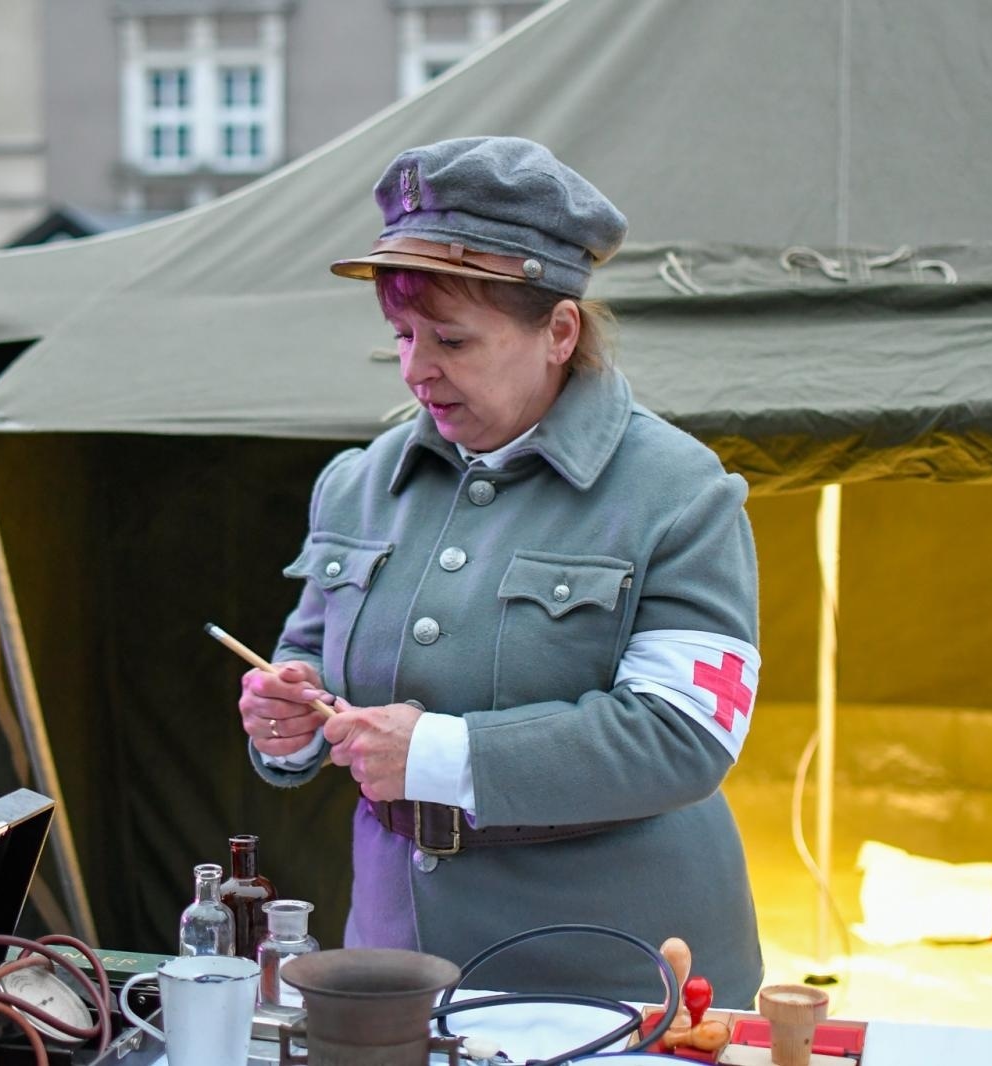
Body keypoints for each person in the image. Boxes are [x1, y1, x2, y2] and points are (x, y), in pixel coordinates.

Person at [237, 136, 763, 1005]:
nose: (417, 370)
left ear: (559, 331)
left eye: (451, 338)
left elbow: (686, 736)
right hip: (401, 964)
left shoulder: (679, 491)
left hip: (617, 978)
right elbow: (311, 666)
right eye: (401, 335)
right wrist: (283, 719)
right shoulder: (359, 483)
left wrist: (441, 752)